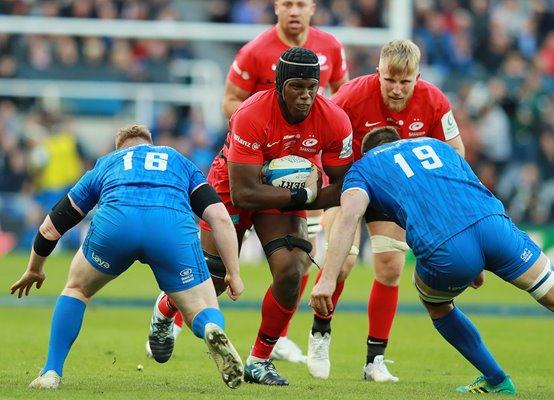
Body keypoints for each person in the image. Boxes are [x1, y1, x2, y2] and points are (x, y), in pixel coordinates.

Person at [310, 127, 554, 394]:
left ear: (367, 150)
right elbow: (472, 186)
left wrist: (326, 278)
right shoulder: (436, 146)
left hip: (447, 247)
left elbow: (349, 218)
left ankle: (497, 379)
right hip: (494, 226)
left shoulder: (363, 168)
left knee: (436, 304)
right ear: (401, 141)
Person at [147, 0, 350, 364]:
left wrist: (304, 191)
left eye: (312, 88)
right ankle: (166, 308)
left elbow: (343, 187)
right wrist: (306, 193)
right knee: (215, 279)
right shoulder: (252, 109)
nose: (306, 96)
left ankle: (260, 360)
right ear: (278, 85)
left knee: (292, 270)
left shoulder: (334, 118)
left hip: (287, 187)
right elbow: (243, 191)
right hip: (235, 183)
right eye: (297, 87)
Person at [10, 125, 246, 390]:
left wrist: (35, 268)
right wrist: (233, 273)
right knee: (201, 308)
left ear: (120, 148)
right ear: (151, 145)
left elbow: (50, 227)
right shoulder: (178, 160)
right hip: (170, 228)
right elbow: (221, 219)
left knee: (76, 289)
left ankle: (51, 372)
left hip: (117, 225)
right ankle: (210, 328)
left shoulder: (109, 162)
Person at [306, 38, 465, 382]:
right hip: (347, 182)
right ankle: (320, 334)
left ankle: (374, 361)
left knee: (391, 265)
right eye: (389, 80)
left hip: (393, 191)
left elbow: (455, 153)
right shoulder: (349, 95)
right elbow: (317, 138)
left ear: (417, 78)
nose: (396, 89)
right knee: (343, 259)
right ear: (377, 72)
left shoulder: (434, 101)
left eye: (405, 82)